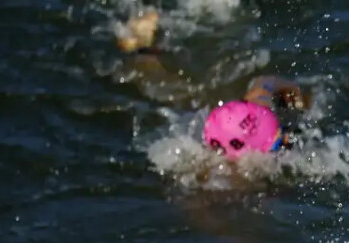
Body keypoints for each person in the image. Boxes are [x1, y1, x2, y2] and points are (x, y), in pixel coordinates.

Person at [115, 9, 311, 160]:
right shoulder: (214, 190)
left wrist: (302, 100)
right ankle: (139, 51)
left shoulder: (256, 112)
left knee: (180, 94)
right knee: (168, 94)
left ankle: (144, 51)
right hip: (206, 129)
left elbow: (265, 84)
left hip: (210, 122)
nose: (288, 142)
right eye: (279, 145)